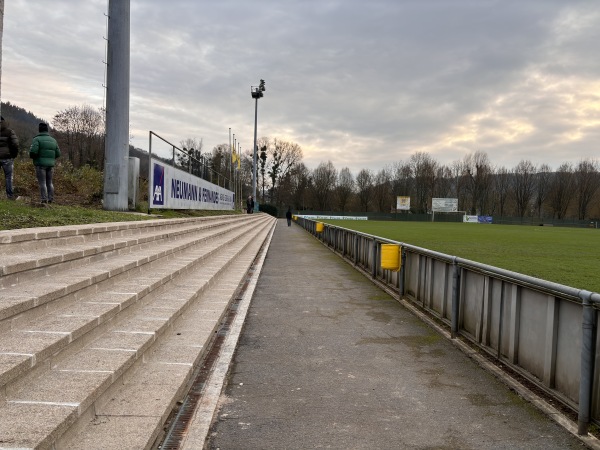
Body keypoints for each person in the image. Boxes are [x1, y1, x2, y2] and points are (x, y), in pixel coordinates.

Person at [30, 123, 61, 204]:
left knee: (42, 183)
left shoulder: (36, 139)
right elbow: (58, 153)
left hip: (40, 164)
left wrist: (33, 157)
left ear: (39, 130)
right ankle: (51, 199)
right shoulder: (53, 140)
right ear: (47, 130)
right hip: (51, 165)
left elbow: (33, 152)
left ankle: (44, 199)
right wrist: (51, 159)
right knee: (50, 182)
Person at [0, 116, 20, 200]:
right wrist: (13, 155)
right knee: (8, 177)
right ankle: (9, 196)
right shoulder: (9, 131)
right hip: (7, 157)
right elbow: (15, 144)